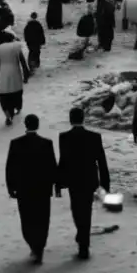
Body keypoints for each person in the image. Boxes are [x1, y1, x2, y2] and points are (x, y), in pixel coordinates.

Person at [5, 114, 59, 264]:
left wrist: (11, 187)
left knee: (27, 219)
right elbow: (52, 166)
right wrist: (56, 185)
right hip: (42, 189)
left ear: (25, 125)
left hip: (24, 189)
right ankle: (40, 246)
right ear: (38, 125)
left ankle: (33, 245)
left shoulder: (16, 143)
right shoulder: (46, 143)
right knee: (42, 218)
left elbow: (10, 167)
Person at [58, 106, 110, 260]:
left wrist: (59, 182)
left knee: (76, 209)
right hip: (90, 179)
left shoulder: (64, 137)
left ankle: (82, 237)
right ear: (83, 119)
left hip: (73, 180)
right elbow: (102, 162)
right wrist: (105, 184)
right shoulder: (94, 137)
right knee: (87, 211)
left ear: (70, 119)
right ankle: (83, 242)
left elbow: (63, 161)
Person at [0, 30, 30, 126]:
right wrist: (26, 74)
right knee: (17, 93)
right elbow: (22, 62)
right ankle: (17, 108)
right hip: (15, 72)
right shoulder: (16, 47)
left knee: (4, 95)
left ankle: (7, 115)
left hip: (3, 73)